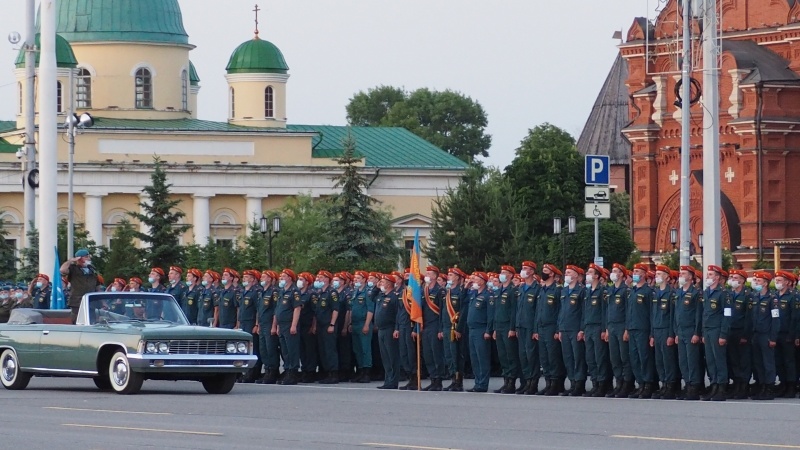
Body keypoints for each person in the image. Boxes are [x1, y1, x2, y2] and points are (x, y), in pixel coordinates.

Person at [701, 265, 732, 401]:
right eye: (708, 274)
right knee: (710, 360)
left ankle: (721, 387)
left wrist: (723, 334)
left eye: (711, 275)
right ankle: (713, 385)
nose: (708, 277)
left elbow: (727, 315)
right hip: (707, 330)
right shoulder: (706, 292)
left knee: (719, 360)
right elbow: (704, 313)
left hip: (717, 330)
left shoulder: (723, 293)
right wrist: (703, 332)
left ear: (718, 277)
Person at [674, 265, 704, 400]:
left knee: (692, 360)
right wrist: (676, 332)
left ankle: (694, 387)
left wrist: (697, 333)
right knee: (683, 361)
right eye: (681, 273)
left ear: (691, 277)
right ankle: (687, 384)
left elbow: (698, 314)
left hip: (691, 330)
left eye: (684, 273)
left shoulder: (696, 293)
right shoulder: (678, 292)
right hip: (680, 331)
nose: (681, 275)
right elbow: (676, 315)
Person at [535, 264, 565, 396]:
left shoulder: (557, 290)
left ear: (552, 274)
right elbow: (538, 311)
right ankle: (548, 383)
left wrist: (558, 329)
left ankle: (555, 384)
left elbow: (560, 312)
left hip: (551, 327)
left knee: (553, 357)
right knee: (544, 357)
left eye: (546, 271)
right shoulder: (542, 290)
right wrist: (535, 329)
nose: (543, 273)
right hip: (541, 327)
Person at [627, 263, 656, 399]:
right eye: (634, 271)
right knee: (634, 358)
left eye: (638, 271)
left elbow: (652, 314)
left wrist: (651, 333)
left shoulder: (648, 292)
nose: (635, 274)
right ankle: (640, 383)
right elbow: (629, 312)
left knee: (644, 357)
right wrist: (627, 329)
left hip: (643, 329)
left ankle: (648, 384)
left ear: (644, 274)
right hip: (632, 328)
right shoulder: (632, 291)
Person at [650, 265, 679, 399]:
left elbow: (673, 316)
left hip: (666, 330)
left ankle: (671, 385)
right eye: (656, 274)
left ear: (667, 277)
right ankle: (664, 384)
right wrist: (652, 334)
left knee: (668, 360)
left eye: (660, 274)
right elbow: (652, 315)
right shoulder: (655, 293)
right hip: (656, 330)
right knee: (659, 360)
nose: (657, 276)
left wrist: (671, 334)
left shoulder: (671, 294)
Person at [582, 263, 611, 397]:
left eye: (590, 272)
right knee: (590, 357)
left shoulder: (602, 291)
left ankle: (602, 384)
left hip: (598, 327)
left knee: (600, 357)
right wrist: (582, 329)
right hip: (588, 327)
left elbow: (605, 312)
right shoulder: (587, 291)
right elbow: (584, 312)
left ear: (596, 276)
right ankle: (594, 383)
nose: (588, 274)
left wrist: (604, 329)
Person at [558, 265, 587, 396]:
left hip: (575, 328)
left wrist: (582, 329)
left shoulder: (581, 291)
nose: (566, 275)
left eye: (569, 272)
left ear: (576, 275)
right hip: (564, 328)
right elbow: (561, 311)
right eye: (566, 272)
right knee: (568, 357)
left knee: (578, 357)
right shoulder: (564, 291)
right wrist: (559, 328)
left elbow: (584, 312)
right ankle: (572, 382)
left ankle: (579, 383)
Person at [605, 263, 633, 398]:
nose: (613, 273)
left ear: (622, 274)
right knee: (614, 357)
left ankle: (627, 383)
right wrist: (607, 328)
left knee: (624, 356)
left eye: (615, 271)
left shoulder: (625, 290)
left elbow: (628, 311)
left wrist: (627, 329)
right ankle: (619, 382)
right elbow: (608, 311)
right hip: (611, 326)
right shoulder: (610, 290)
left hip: (622, 326)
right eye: (612, 270)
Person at [492, 265, 521, 394]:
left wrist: (512, 328)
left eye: (504, 272)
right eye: (501, 272)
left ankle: (512, 382)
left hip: (508, 326)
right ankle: (505, 381)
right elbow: (495, 312)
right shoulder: (498, 291)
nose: (501, 274)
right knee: (502, 355)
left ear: (510, 275)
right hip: (499, 326)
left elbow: (514, 311)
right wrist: (494, 329)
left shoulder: (512, 291)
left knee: (510, 356)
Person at [751, 271, 779, 400]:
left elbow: (775, 320)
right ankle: (761, 385)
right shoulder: (755, 297)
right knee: (758, 362)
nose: (756, 283)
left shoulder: (772, 299)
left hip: (766, 335)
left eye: (759, 281)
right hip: (756, 334)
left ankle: (769, 387)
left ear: (766, 283)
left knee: (768, 362)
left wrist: (773, 337)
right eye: (756, 281)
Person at [726, 269, 752, 399]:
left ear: (742, 280)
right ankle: (736, 383)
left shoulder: (747, 295)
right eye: (732, 277)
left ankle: (744, 385)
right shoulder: (729, 295)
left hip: (741, 331)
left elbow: (749, 317)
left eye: (736, 278)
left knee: (744, 360)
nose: (733, 280)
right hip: (730, 331)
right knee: (734, 359)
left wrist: (745, 335)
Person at [515, 261, 541, 395]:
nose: (523, 270)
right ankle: (526, 381)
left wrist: (536, 329)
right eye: (522, 268)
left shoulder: (537, 288)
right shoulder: (521, 288)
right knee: (523, 356)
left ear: (532, 271)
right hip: (521, 326)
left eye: (525, 268)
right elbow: (518, 309)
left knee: (531, 355)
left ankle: (533, 382)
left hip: (531, 326)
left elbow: (537, 311)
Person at [273, 269, 302, 385]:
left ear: (290, 278)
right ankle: (287, 369)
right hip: (282, 324)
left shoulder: (294, 291)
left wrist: (294, 325)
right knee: (284, 350)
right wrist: (277, 325)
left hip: (290, 324)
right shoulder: (282, 291)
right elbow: (277, 310)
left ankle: (293, 371)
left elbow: (297, 308)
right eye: (281, 276)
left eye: (284, 276)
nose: (281, 278)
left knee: (292, 349)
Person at [465, 272, 493, 393]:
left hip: (481, 330)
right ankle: (477, 382)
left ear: (482, 281)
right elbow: (462, 299)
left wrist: (488, 330)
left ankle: (483, 384)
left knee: (482, 357)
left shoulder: (488, 295)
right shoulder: (473, 294)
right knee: (474, 357)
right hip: (471, 330)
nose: (474, 281)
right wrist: (466, 287)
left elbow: (490, 315)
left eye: (476, 279)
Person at [420, 266, 446, 391]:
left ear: (435, 276)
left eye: (429, 273)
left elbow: (442, 312)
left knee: (436, 354)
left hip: (435, 325)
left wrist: (441, 329)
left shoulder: (440, 291)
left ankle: (438, 380)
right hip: (426, 325)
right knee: (428, 354)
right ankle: (432, 378)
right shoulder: (423, 290)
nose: (427, 275)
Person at [346, 271, 374, 383]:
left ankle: (367, 372)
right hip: (355, 323)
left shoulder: (368, 292)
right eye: (355, 278)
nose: (356, 280)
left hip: (363, 323)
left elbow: (370, 309)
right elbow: (352, 309)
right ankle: (360, 370)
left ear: (364, 280)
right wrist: (350, 323)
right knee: (357, 349)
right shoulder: (355, 292)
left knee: (365, 349)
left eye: (358, 278)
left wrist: (367, 324)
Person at [442, 267, 468, 392]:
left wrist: (459, 328)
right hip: (446, 327)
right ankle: (452, 378)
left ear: (457, 277)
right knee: (448, 355)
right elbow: (443, 312)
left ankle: (458, 381)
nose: (449, 276)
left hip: (455, 328)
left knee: (456, 354)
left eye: (451, 275)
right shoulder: (447, 292)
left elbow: (462, 312)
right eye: (448, 274)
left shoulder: (461, 292)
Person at [772, 270, 797, 397]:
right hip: (776, 333)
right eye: (776, 281)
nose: (777, 283)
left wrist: (792, 335)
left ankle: (791, 385)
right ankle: (783, 383)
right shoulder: (774, 296)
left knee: (789, 361)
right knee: (778, 360)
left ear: (787, 282)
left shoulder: (792, 297)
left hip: (787, 333)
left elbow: (795, 318)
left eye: (780, 280)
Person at [313, 270, 340, 384]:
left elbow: (335, 309)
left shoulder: (332, 292)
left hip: (328, 325)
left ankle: (333, 373)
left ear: (327, 279)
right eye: (318, 277)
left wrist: (332, 324)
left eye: (321, 277)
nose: (318, 279)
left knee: (329, 350)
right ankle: (326, 372)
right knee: (322, 350)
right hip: (320, 325)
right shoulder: (319, 293)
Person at [375, 274, 401, 389]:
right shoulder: (381, 296)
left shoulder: (395, 296)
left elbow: (398, 314)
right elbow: (371, 297)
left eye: (383, 282)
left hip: (390, 329)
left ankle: (393, 381)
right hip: (381, 329)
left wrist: (397, 328)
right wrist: (376, 288)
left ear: (390, 283)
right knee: (385, 356)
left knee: (392, 356)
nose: (381, 283)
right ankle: (388, 379)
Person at [60, 248, 99, 324]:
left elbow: (97, 286)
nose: (89, 258)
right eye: (86, 257)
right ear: (79, 258)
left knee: (92, 321)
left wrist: (102, 301)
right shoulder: (73, 268)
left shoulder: (92, 269)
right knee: (77, 321)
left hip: (91, 301)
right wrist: (71, 261)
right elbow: (62, 270)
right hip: (77, 301)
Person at [256, 270, 281, 384]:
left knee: (271, 348)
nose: (261, 278)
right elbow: (259, 310)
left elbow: (276, 310)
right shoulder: (262, 292)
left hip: (270, 323)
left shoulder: (274, 292)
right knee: (263, 349)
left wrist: (274, 326)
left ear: (270, 279)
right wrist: (258, 324)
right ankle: (267, 371)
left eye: (264, 277)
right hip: (262, 323)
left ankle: (273, 371)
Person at [239, 270, 262, 382]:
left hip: (251, 322)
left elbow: (258, 310)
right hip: (243, 322)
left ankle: (254, 372)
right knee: (243, 349)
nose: (244, 279)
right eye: (244, 276)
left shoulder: (255, 292)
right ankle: (245, 372)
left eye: (247, 277)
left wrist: (257, 324)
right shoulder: (244, 291)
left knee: (253, 349)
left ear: (253, 279)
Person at [297, 272, 319, 382]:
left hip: (308, 325)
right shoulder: (297, 293)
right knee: (301, 350)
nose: (299, 281)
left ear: (307, 282)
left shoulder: (312, 294)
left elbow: (315, 312)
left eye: (301, 279)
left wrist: (314, 326)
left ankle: (311, 371)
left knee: (309, 349)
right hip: (299, 325)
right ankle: (304, 370)